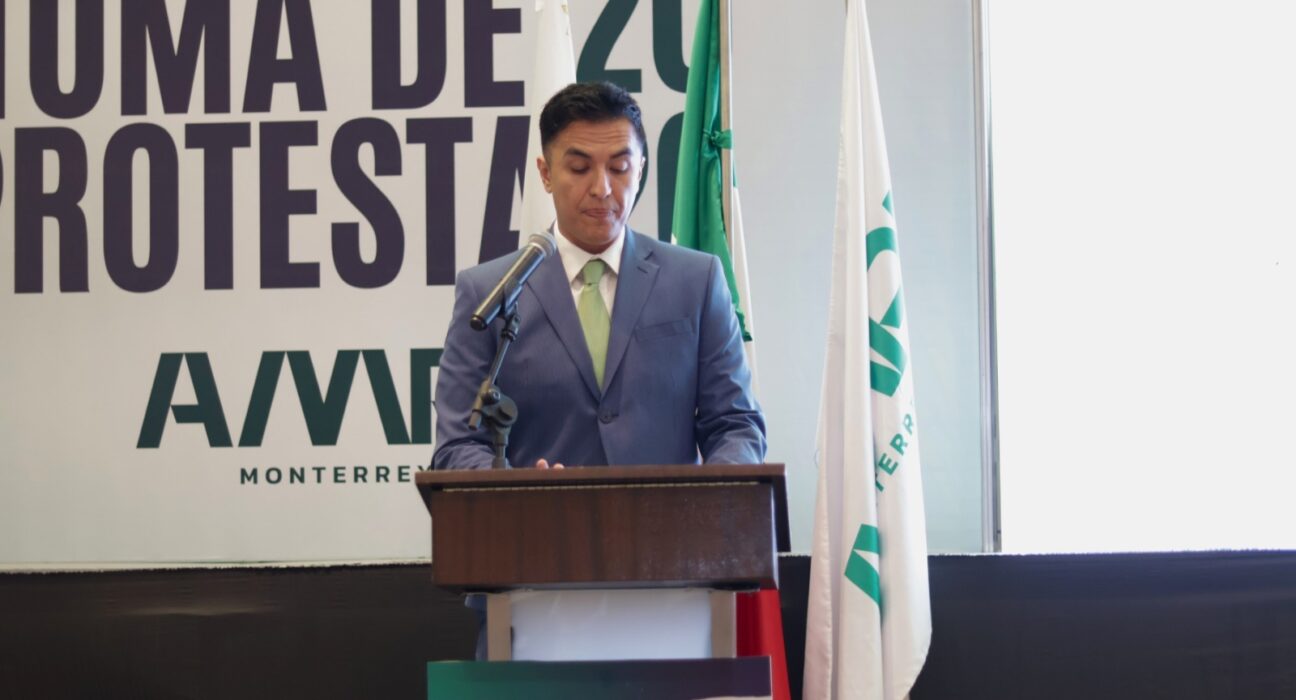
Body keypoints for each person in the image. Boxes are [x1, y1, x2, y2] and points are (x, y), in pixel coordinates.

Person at [432, 81, 765, 470]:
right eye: (579, 168)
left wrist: (707, 496)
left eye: (619, 168)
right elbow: (458, 445)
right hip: (533, 513)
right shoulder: (489, 293)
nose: (602, 188)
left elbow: (736, 425)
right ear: (545, 174)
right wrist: (516, 491)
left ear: (640, 170)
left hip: (670, 511)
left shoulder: (697, 281)